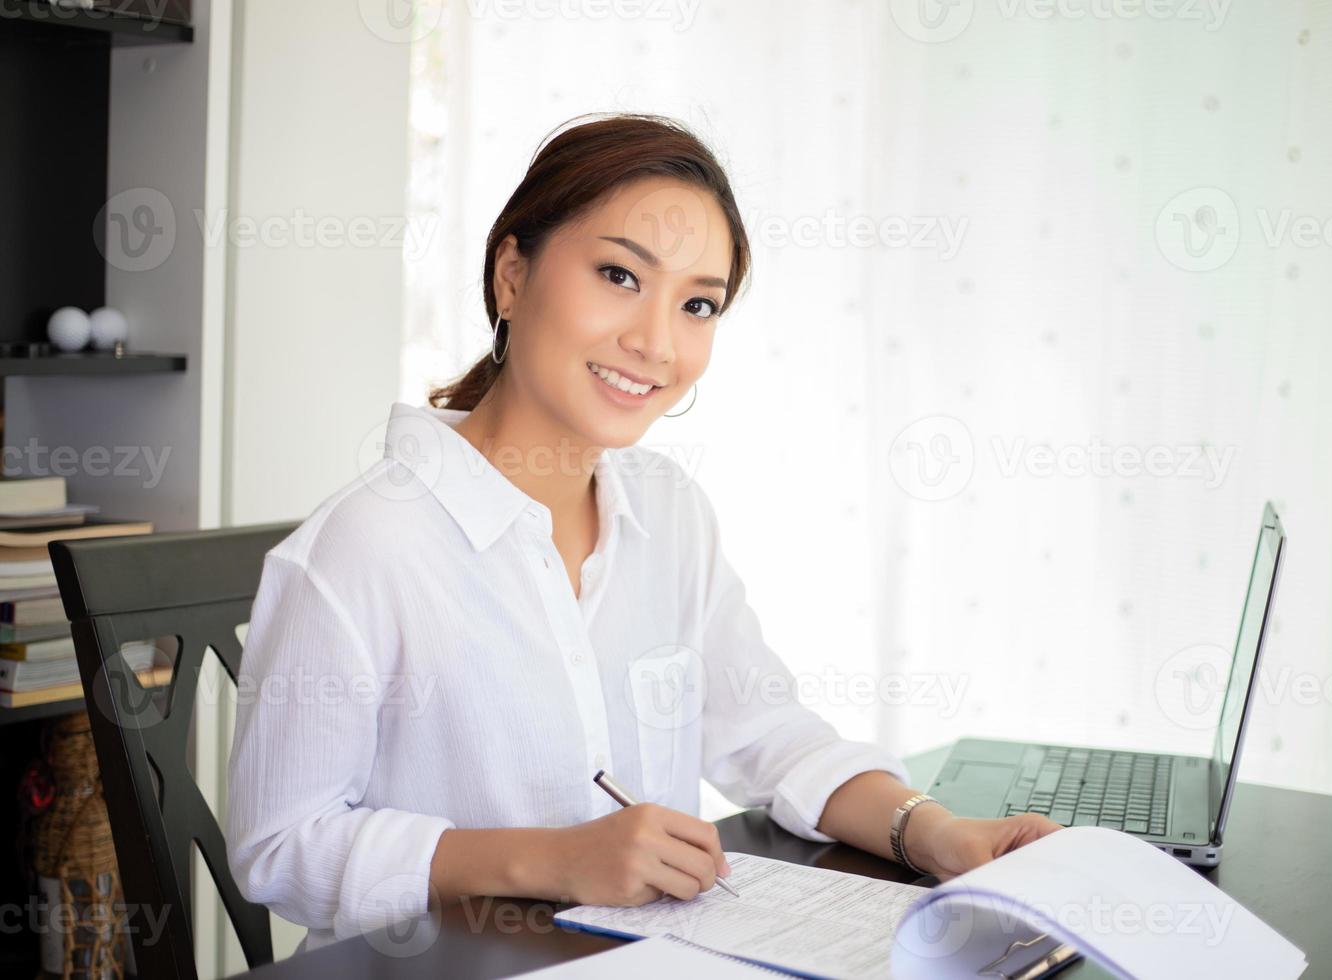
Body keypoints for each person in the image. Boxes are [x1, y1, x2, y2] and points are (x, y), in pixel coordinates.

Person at [224, 113, 1059, 954]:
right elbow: (280, 847)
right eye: (620, 275)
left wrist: (940, 835)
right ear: (512, 276)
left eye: (698, 303)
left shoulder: (668, 511)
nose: (656, 342)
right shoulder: (363, 547)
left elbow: (768, 734)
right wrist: (553, 860)